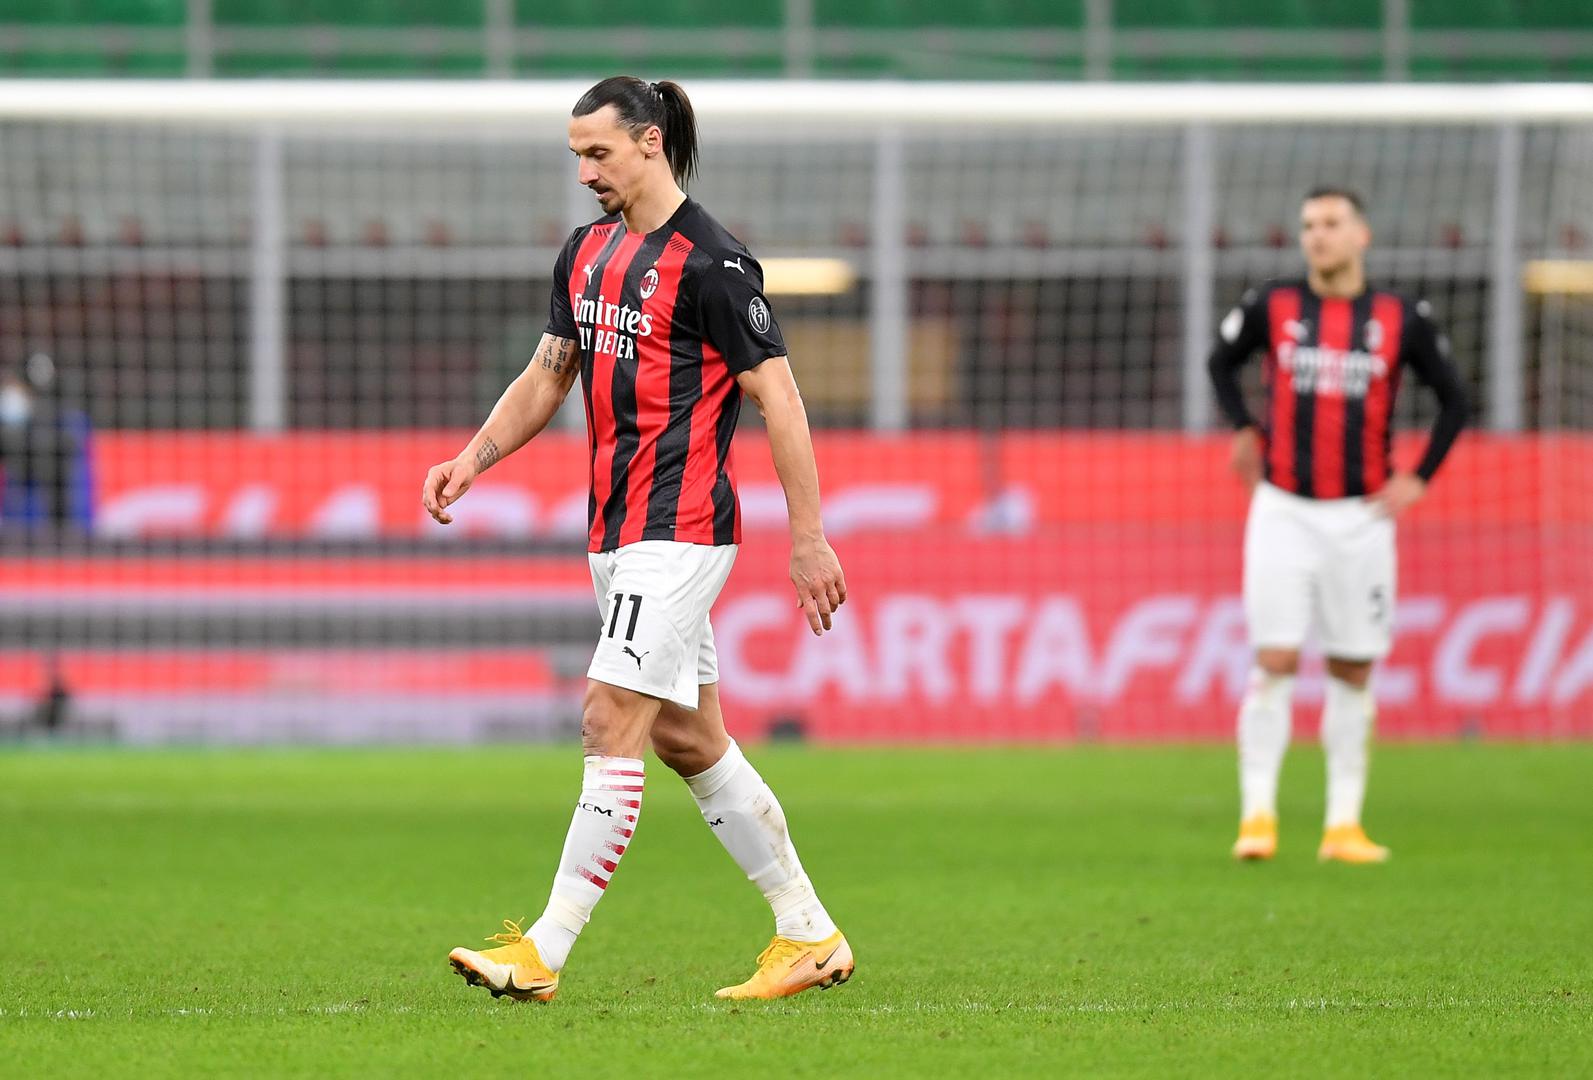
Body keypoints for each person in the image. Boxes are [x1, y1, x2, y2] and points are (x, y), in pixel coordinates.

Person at [423, 77, 853, 1002]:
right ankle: (807, 933)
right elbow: (549, 374)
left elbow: (778, 397)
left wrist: (808, 537)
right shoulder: (585, 254)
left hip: (682, 530)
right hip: (614, 535)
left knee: (606, 719)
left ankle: (542, 950)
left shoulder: (715, 264)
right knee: (691, 742)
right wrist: (475, 456)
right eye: (575, 154)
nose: (583, 172)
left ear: (650, 143)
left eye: (598, 153)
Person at [1207, 186, 1470, 864]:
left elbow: (1454, 399)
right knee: (1274, 660)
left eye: (1329, 224)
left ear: (1361, 235)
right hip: (1282, 510)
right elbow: (1219, 361)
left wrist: (1419, 477)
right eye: (1306, 226)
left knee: (1353, 669)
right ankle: (1256, 817)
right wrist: (1242, 424)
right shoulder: (1272, 304)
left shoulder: (1397, 316)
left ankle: (1342, 826)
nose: (1315, 236)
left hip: (1360, 518)